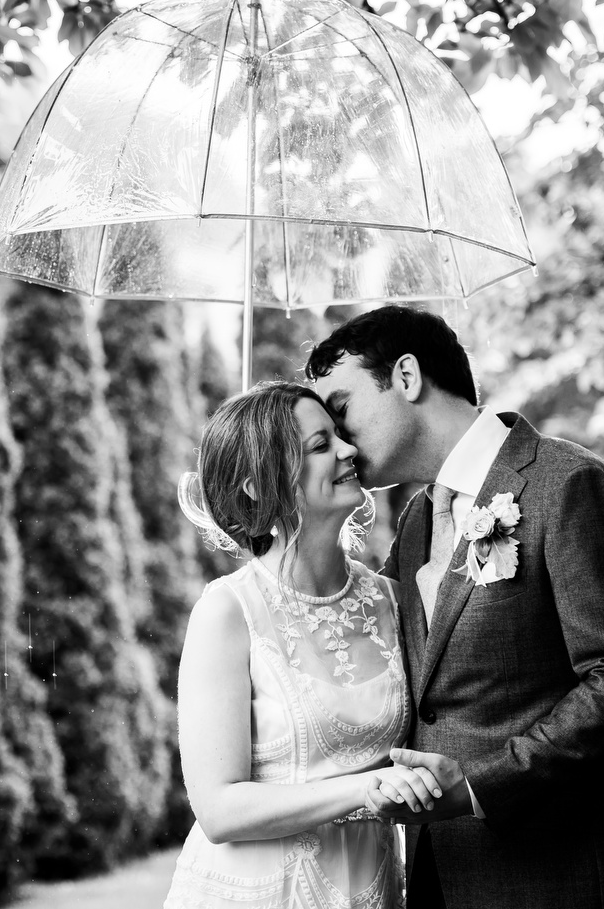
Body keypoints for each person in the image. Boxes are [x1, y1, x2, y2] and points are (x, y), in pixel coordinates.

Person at [306, 305, 604, 909]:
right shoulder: (420, 519)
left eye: (341, 410)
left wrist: (480, 787)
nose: (340, 442)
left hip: (564, 877)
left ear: (406, 376)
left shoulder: (569, 484)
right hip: (442, 878)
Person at [164, 381, 444, 909]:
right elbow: (219, 810)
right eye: (320, 446)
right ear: (256, 485)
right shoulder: (228, 611)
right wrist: (368, 789)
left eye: (338, 436)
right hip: (254, 892)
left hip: (370, 887)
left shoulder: (394, 601)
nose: (348, 450)